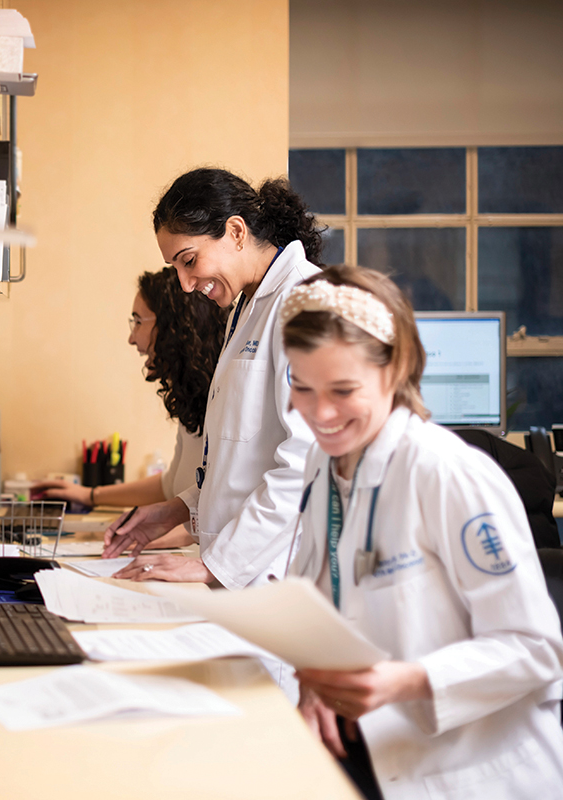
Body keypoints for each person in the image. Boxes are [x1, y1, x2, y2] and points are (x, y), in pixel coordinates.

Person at [281, 266, 563, 799]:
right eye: (302, 386)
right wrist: (319, 684)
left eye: (343, 389)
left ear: (397, 369)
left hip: (472, 772)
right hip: (371, 750)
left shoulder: (447, 473)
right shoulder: (325, 464)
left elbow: (537, 647)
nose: (320, 413)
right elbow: (329, 598)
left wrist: (409, 680)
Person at [105, 167, 321, 588]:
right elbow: (237, 461)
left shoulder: (303, 303)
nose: (185, 285)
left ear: (236, 231)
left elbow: (305, 467)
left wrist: (213, 566)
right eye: (176, 268)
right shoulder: (245, 310)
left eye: (189, 261)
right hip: (239, 577)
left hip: (277, 577)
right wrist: (178, 508)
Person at [33, 268, 227, 509]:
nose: (132, 338)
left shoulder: (221, 402)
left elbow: (214, 515)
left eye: (138, 321)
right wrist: (89, 495)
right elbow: (168, 487)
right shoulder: (192, 401)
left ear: (174, 327)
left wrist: (142, 536)